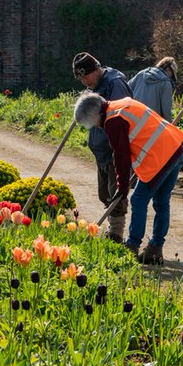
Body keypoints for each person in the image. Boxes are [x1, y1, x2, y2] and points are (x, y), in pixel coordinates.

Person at [74, 92, 183, 265]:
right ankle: (155, 249)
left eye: (92, 125)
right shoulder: (123, 104)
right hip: (175, 148)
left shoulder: (113, 121)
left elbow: (121, 157)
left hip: (159, 158)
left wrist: (122, 188)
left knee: (138, 200)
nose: (96, 127)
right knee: (162, 202)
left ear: (94, 116)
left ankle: (132, 246)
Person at [73, 51, 133, 242]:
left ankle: (115, 234)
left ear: (96, 69)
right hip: (101, 152)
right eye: (80, 78)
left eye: (85, 76)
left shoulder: (115, 84)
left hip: (114, 149)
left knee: (116, 192)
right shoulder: (95, 85)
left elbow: (121, 117)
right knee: (104, 193)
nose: (84, 81)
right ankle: (111, 229)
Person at [128, 56, 177, 121]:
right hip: (152, 122)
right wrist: (169, 123)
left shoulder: (142, 73)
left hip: (133, 116)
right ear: (168, 69)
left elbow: (127, 89)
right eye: (172, 74)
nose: (171, 77)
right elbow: (166, 109)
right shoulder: (166, 83)